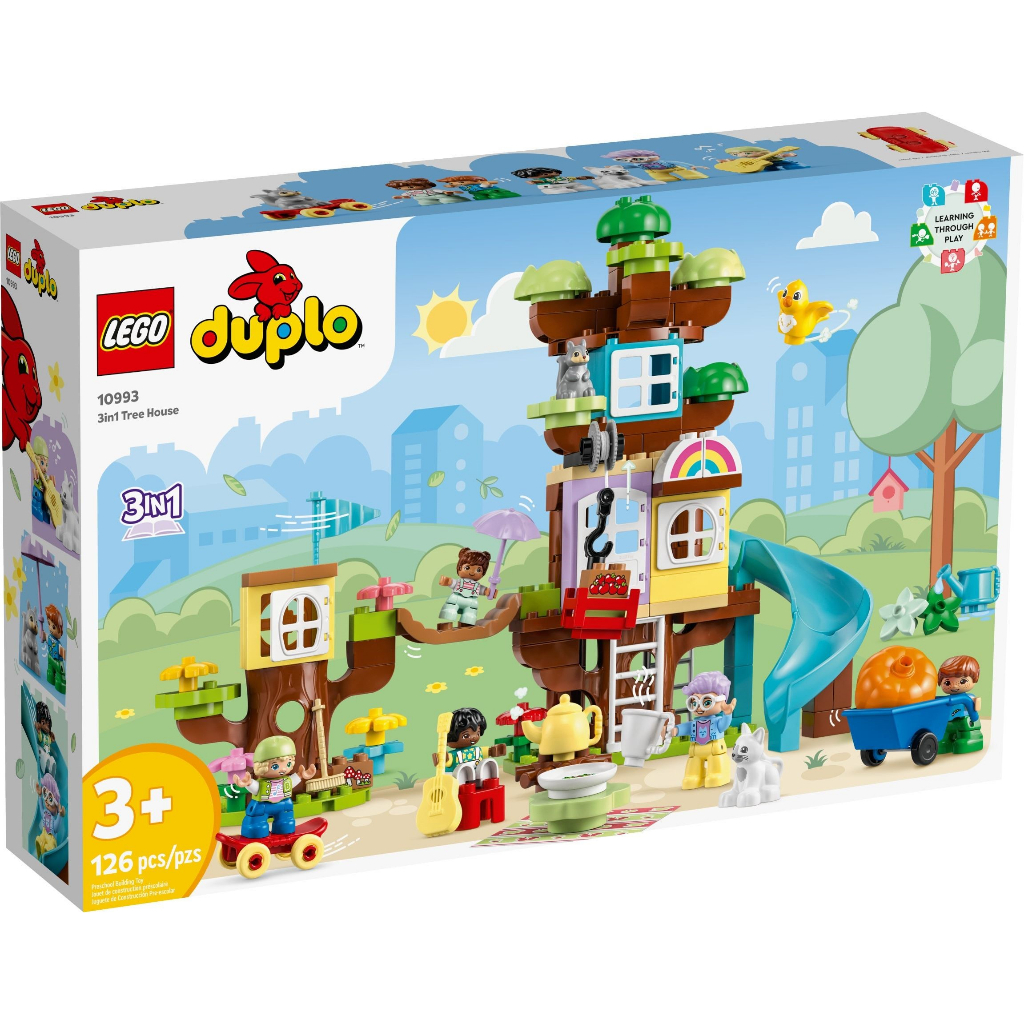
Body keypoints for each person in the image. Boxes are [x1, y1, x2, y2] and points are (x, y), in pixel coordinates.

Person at [233, 735, 316, 839]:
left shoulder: (286, 780)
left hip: (284, 804)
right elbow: (257, 788)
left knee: (285, 821)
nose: (283, 769)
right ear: (262, 766)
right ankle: (256, 831)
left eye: (288, 764)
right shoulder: (262, 783)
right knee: (257, 824)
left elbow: (291, 782)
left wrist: (301, 775)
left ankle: (284, 828)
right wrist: (249, 783)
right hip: (262, 806)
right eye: (275, 766)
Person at [676, 671, 736, 789]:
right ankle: (693, 776)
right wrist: (674, 730)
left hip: (714, 749)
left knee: (716, 762)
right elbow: (685, 728)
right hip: (696, 750)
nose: (699, 708)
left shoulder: (716, 721)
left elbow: (723, 725)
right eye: (694, 702)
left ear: (722, 701)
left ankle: (718, 774)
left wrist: (727, 714)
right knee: (693, 763)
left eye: (707, 702)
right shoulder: (694, 723)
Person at [432, 707, 505, 786]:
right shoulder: (455, 755)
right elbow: (448, 760)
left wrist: (493, 751)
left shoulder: (477, 750)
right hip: (461, 782)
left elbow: (485, 751)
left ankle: (487, 783)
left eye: (477, 733)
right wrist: (443, 759)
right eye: (466, 735)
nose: (473, 737)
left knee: (487, 763)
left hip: (478, 779)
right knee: (461, 769)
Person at [937, 655, 984, 754]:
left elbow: (975, 710)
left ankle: (969, 738)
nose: (954, 686)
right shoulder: (946, 699)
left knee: (965, 732)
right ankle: (946, 740)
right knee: (945, 732)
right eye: (947, 682)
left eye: (962, 681)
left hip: (965, 721)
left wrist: (974, 716)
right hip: (948, 721)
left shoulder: (969, 698)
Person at [437, 547, 491, 628]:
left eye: (478, 570)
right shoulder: (459, 582)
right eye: (467, 568)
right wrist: (447, 581)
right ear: (459, 567)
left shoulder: (477, 586)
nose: (472, 572)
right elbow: (452, 582)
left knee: (470, 615)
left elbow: (483, 590)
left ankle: (467, 623)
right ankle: (447, 622)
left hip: (471, 603)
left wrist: (489, 592)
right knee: (450, 610)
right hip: (456, 599)